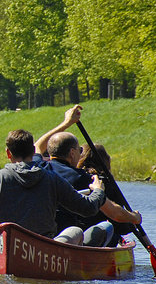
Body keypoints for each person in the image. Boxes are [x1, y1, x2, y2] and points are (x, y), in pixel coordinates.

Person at [0, 128, 105, 244]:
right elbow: (88, 209)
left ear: (8, 153)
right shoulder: (53, 179)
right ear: (33, 151)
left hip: (7, 243)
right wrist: (98, 191)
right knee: (76, 231)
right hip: (43, 245)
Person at [34, 105, 141, 246]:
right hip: (70, 239)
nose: (80, 154)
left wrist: (66, 123)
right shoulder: (83, 178)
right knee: (107, 227)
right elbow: (115, 214)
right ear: (72, 153)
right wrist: (134, 217)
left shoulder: (39, 167)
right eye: (79, 150)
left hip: (44, 236)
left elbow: (38, 146)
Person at [77, 142, 143, 245]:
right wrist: (133, 220)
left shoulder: (74, 177)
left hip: (75, 233)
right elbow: (119, 224)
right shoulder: (105, 182)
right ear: (105, 160)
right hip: (96, 238)